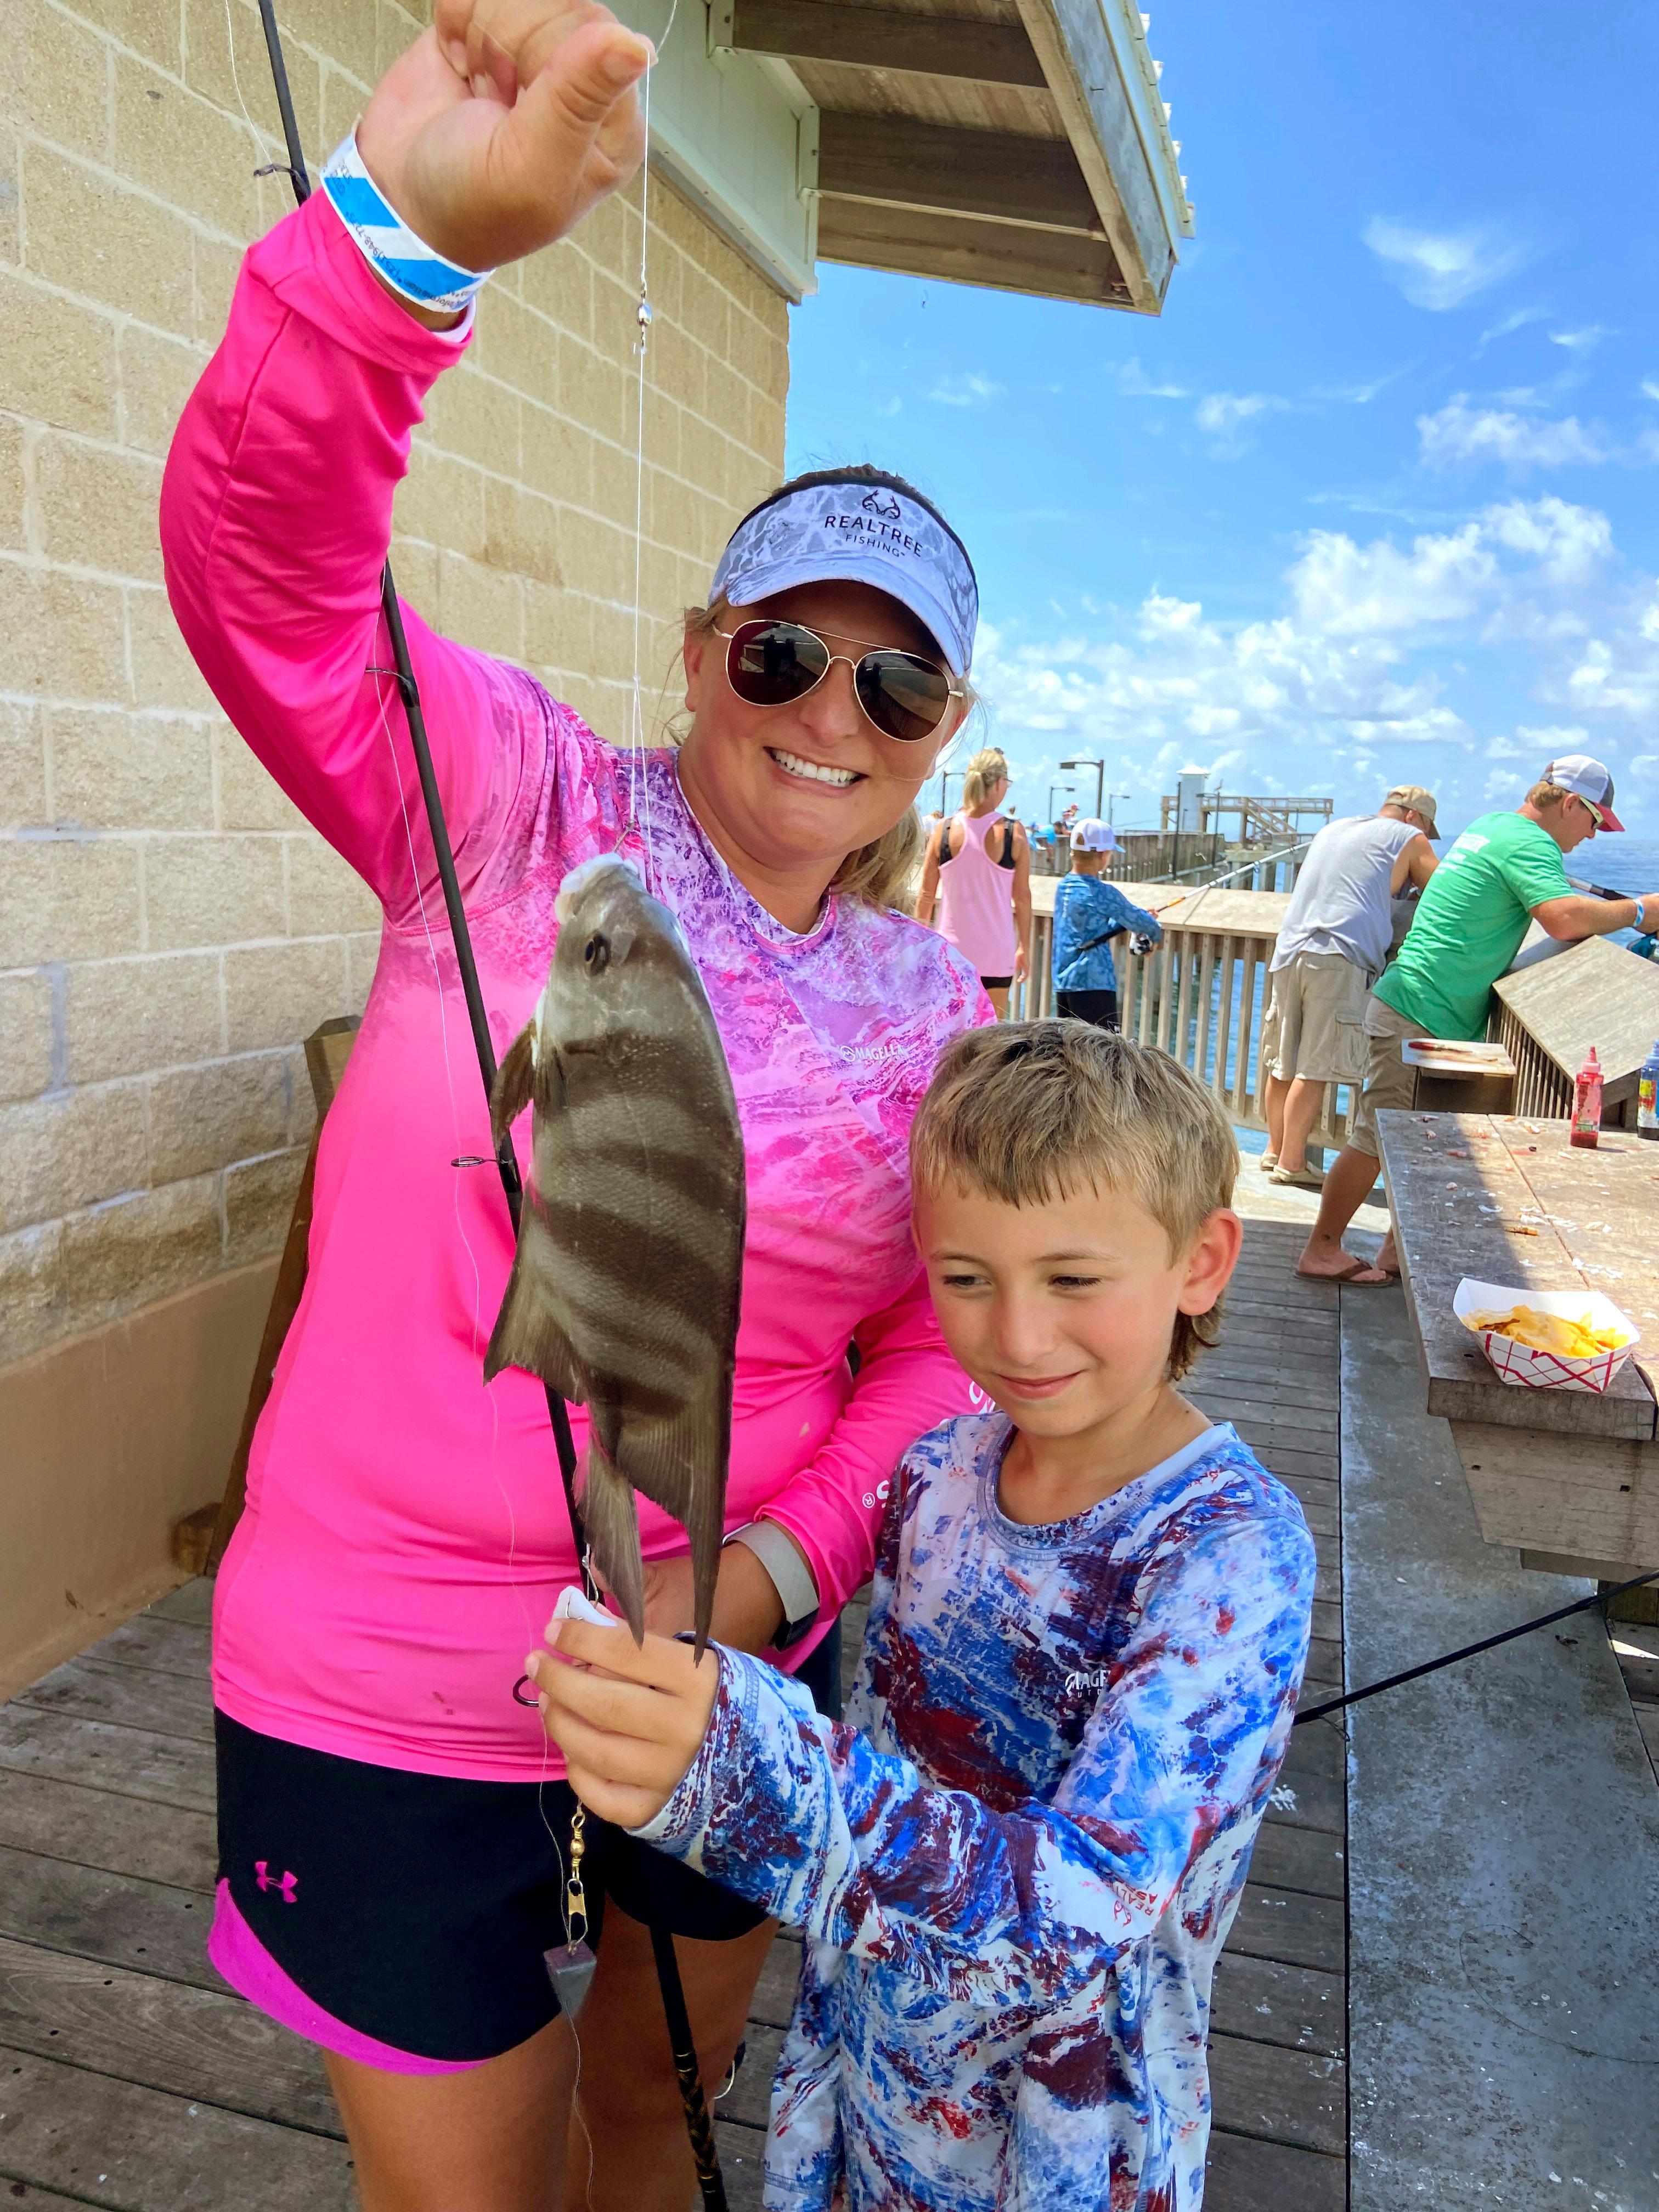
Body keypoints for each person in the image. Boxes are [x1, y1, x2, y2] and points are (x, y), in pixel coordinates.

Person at [158, 8, 994, 2206]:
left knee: (659, 2129)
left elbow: (935, 1341)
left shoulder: (935, 1002)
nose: (832, 712)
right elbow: (271, 573)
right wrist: (399, 254)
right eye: (783, 653)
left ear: (942, 729)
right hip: (380, 1678)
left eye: (895, 682)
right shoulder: (513, 806)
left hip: (732, 1666)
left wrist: (770, 1564)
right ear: (704, 642)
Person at [532, 1022, 1317, 2211]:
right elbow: (895, 1752)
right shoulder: (936, 1469)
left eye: (1073, 1279)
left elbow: (1079, 1910)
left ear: (1202, 1262)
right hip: (869, 2066)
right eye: (966, 1278)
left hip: (1066, 2137)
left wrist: (743, 1771)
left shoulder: (1232, 1554)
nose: (1017, 1334)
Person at [1299, 756, 1658, 1283]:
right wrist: (1640, 910)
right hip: (1418, 1009)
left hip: (1430, 1010)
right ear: (1569, 804)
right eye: (1595, 821)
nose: (1595, 836)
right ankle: (1321, 1250)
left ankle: (1397, 1255)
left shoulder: (1491, 826)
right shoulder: (1531, 844)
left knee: (1433, 1143)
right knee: (1375, 1137)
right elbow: (1560, 917)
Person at [1260, 786, 1439, 1190]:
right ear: (1414, 817)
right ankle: (1292, 1162)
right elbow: (1442, 890)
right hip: (1340, 953)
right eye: (1428, 826)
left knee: (1283, 1062)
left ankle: (1274, 1149)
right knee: (1316, 1065)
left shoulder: (1336, 829)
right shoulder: (1410, 837)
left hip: (1291, 950)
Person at [917, 746, 1032, 1015]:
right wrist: (1024, 946)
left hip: (950, 955)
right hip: (996, 954)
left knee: (948, 1039)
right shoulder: (1012, 832)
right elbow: (1023, 897)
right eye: (1007, 783)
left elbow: (925, 896)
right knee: (990, 1043)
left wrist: (920, 946)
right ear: (997, 785)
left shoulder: (943, 830)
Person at [1051, 817, 1165, 1029]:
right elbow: (1141, 922)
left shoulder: (1063, 888)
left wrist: (1135, 918)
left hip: (1064, 984)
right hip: (1094, 985)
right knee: (1103, 1054)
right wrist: (1155, 932)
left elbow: (1092, 930)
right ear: (1102, 856)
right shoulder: (1104, 893)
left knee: (1068, 1053)